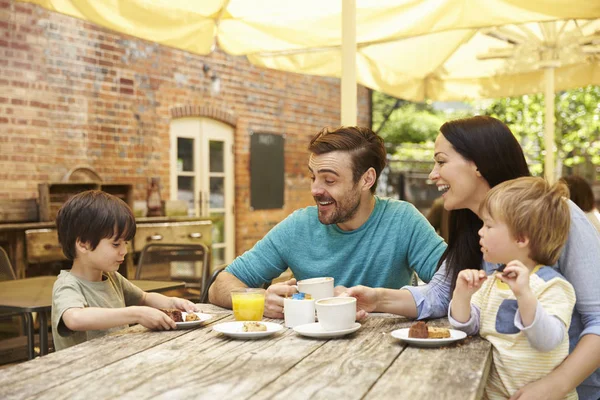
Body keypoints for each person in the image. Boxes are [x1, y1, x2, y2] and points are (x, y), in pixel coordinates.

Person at [344, 116, 600, 400]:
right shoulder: (473, 227)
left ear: (478, 163)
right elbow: (439, 294)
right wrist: (376, 299)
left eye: (441, 162)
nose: (432, 174)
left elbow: (598, 318)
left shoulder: (557, 215)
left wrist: (557, 384)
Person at [208, 126, 447, 318]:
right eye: (314, 177)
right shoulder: (298, 226)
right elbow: (219, 285)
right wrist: (258, 299)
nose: (315, 190)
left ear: (366, 179)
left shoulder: (402, 220)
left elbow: (452, 283)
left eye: (329, 180)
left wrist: (383, 299)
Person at [449, 177, 576, 400]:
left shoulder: (553, 286)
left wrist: (524, 295)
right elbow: (466, 327)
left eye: (488, 225)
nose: (480, 232)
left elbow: (548, 340)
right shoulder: (491, 283)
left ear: (521, 238)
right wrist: (462, 295)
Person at [51, 190, 198, 351]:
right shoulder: (68, 285)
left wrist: (171, 302)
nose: (124, 251)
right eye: (116, 244)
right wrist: (136, 314)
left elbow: (144, 298)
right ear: (83, 244)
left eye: (125, 243)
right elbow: (74, 318)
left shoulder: (112, 278)